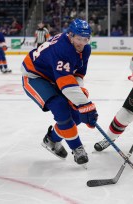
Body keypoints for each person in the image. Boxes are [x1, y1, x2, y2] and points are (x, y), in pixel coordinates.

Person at [21, 18, 98, 165]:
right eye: (78, 38)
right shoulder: (62, 48)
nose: (82, 43)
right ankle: (77, 148)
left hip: (54, 77)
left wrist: (80, 93)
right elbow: (65, 83)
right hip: (34, 76)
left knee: (76, 115)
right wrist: (85, 104)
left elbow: (78, 75)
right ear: (70, 35)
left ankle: (51, 139)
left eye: (86, 39)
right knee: (61, 107)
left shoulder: (85, 49)